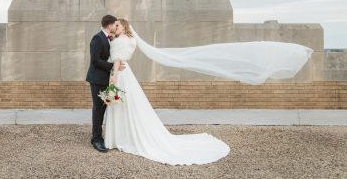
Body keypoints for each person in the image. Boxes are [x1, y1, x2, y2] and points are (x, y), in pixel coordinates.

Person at [102, 18, 313, 165]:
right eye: (115, 26)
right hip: (127, 75)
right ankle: (124, 137)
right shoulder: (131, 40)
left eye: (118, 25)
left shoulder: (120, 41)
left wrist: (112, 81)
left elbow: (117, 62)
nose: (115, 28)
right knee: (131, 108)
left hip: (121, 75)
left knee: (122, 106)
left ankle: (119, 138)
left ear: (124, 26)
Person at [85, 15, 125, 152]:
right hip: (97, 79)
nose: (116, 27)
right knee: (98, 109)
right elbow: (95, 60)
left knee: (107, 108)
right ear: (109, 25)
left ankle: (106, 135)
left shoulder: (110, 38)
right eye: (115, 25)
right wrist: (112, 66)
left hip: (107, 79)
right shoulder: (97, 38)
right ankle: (96, 139)